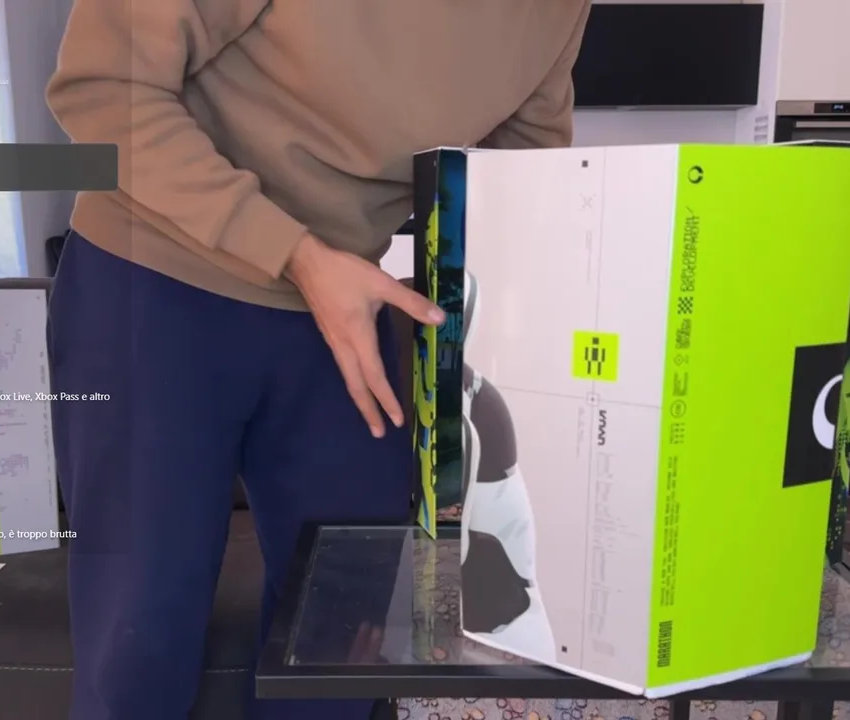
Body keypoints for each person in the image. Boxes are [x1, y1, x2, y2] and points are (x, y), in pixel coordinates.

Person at [45, 1, 592, 719]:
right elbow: (100, 87)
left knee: (346, 631)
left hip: (343, 307)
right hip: (155, 273)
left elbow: (518, 182)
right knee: (139, 635)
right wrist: (296, 255)